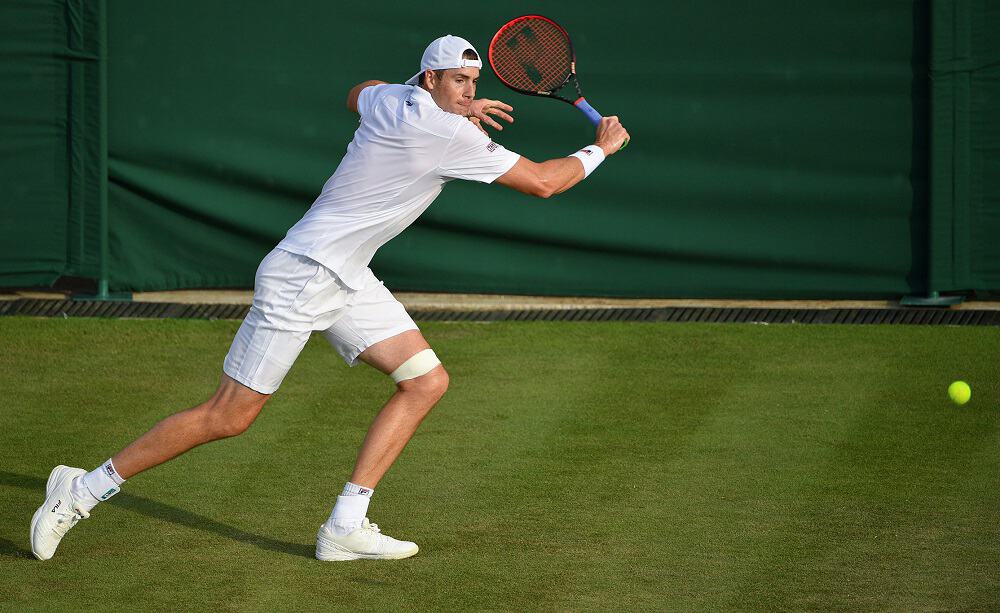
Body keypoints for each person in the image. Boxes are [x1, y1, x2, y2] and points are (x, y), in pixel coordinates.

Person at [30, 34, 630, 562]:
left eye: (474, 82)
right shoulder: (446, 132)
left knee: (425, 381)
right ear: (432, 79)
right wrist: (600, 147)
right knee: (228, 417)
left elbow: (357, 91)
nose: (469, 91)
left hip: (346, 274)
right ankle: (82, 490)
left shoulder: (394, 100)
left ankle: (346, 525)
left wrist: (455, 106)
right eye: (459, 80)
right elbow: (547, 183)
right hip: (303, 275)